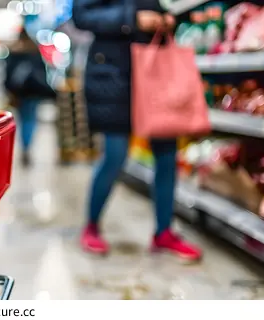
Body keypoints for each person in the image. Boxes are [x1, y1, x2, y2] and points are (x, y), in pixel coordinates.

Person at [72, 0, 202, 260]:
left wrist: (167, 18)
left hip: (157, 73)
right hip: (114, 74)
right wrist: (132, 18)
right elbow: (82, 16)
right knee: (114, 156)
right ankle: (92, 225)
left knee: (167, 157)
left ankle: (163, 232)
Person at [5, 29, 56, 166]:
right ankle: (28, 146)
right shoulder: (34, 51)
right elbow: (42, 73)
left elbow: (7, 75)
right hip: (34, 92)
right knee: (31, 120)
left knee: (22, 120)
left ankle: (24, 147)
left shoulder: (13, 51)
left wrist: (9, 92)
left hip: (19, 93)